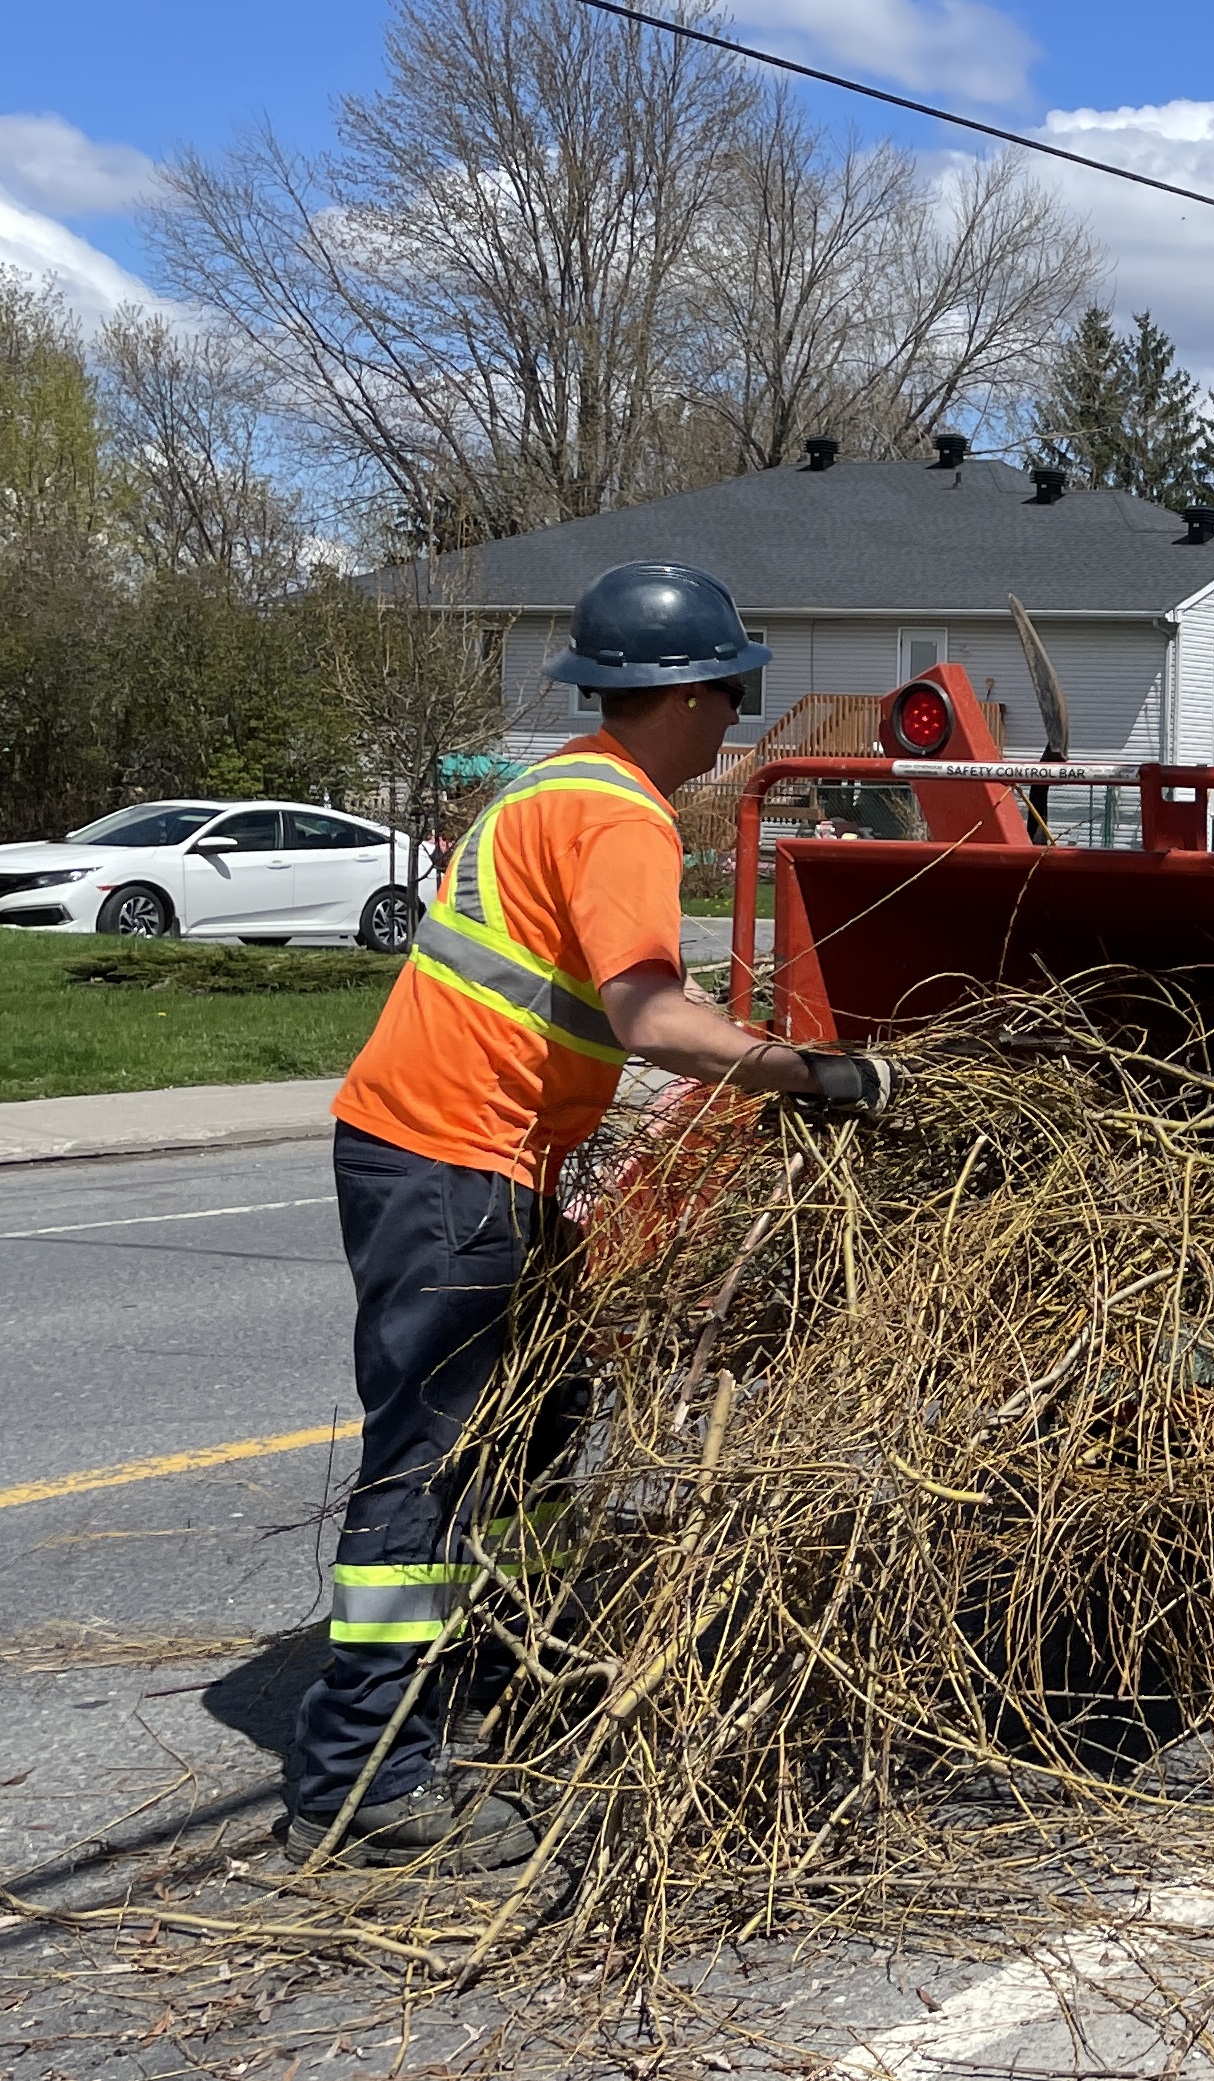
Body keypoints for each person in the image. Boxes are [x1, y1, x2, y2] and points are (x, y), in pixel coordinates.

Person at [285, 562, 894, 1870]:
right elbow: (650, 1018)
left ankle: (490, 1673)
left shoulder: (552, 781)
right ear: (678, 694)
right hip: (448, 1163)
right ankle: (367, 1780)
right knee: (432, 1468)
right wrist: (811, 1073)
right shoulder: (621, 815)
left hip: (465, 1158)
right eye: (730, 691)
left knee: (535, 1420)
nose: (735, 718)